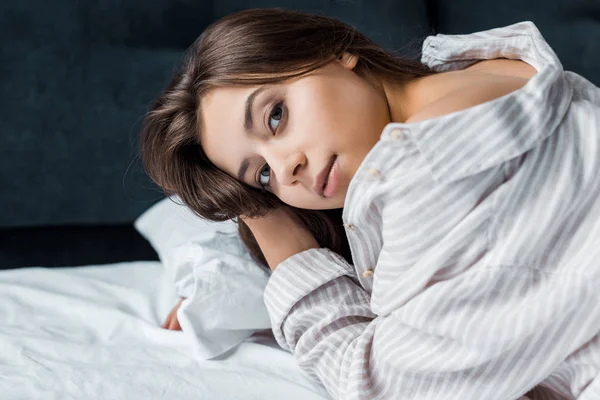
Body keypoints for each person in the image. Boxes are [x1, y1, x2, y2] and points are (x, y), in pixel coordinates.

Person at [140, 8, 600, 400]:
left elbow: (379, 384)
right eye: (261, 175)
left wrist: (293, 263)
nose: (286, 169)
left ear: (333, 52)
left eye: (276, 115)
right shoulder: (500, 72)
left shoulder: (428, 164)